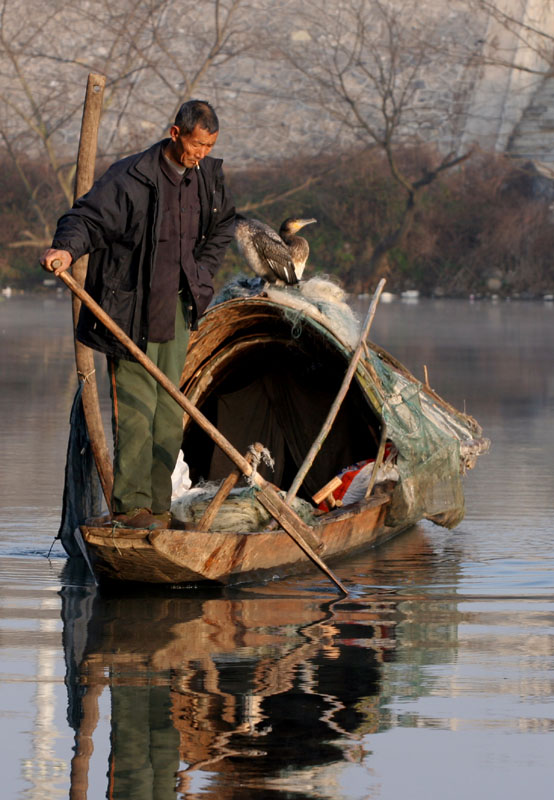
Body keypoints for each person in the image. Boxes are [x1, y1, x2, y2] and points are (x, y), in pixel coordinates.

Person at [41, 100, 235, 530]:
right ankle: (131, 511)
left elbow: (224, 225)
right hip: (130, 314)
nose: (201, 154)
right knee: (134, 413)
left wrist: (200, 274)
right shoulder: (131, 178)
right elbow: (87, 219)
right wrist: (66, 249)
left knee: (168, 416)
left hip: (178, 312)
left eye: (209, 146)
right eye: (197, 144)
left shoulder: (207, 179)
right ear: (175, 133)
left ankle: (159, 509)